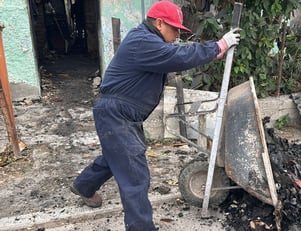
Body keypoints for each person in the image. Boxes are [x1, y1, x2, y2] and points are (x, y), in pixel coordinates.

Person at [69, 1, 241, 230]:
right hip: (117, 113)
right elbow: (177, 55)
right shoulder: (143, 41)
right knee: (135, 176)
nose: (178, 34)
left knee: (118, 156)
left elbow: (174, 59)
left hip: (121, 114)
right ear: (159, 23)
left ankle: (84, 186)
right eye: (175, 28)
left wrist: (213, 53)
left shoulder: (147, 41)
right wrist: (217, 46)